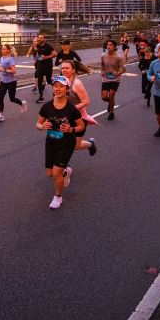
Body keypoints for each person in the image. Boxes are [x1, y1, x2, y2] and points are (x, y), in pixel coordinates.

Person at [37, 76, 87, 210]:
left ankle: (58, 197)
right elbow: (38, 123)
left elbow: (81, 126)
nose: (57, 89)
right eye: (55, 86)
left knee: (56, 173)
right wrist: (43, 127)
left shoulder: (72, 109)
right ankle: (65, 171)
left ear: (67, 89)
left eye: (61, 86)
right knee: (50, 173)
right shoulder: (47, 106)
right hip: (51, 142)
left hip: (66, 144)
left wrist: (71, 129)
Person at [60, 61, 99, 155]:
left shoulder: (77, 84)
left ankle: (90, 144)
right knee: (62, 142)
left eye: (67, 68)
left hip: (79, 119)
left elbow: (86, 102)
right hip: (65, 118)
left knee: (76, 145)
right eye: (63, 68)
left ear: (73, 70)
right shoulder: (61, 81)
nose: (64, 70)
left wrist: (70, 109)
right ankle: (63, 167)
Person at [0, 44, 27, 122]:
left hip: (11, 82)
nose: (2, 50)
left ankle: (22, 104)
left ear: (8, 50)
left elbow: (14, 71)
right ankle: (1, 115)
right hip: (3, 81)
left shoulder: (10, 59)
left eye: (4, 49)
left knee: (12, 99)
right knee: (0, 97)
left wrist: (5, 70)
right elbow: (2, 68)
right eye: (2, 49)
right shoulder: (2, 58)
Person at [100, 38, 123, 120]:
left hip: (115, 80)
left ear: (114, 47)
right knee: (104, 97)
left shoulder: (118, 57)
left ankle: (111, 112)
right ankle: (111, 103)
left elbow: (123, 69)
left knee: (111, 96)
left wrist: (118, 74)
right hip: (106, 79)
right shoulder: (103, 56)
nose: (109, 46)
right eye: (108, 45)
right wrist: (102, 71)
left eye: (111, 45)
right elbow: (102, 65)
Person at [34, 33, 55, 103]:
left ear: (44, 39)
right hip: (40, 65)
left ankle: (56, 90)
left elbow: (54, 54)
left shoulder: (48, 46)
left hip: (48, 65)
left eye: (41, 38)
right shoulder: (38, 45)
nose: (40, 39)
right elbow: (38, 53)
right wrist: (35, 60)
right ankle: (41, 96)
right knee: (39, 80)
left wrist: (46, 57)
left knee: (49, 80)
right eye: (39, 38)